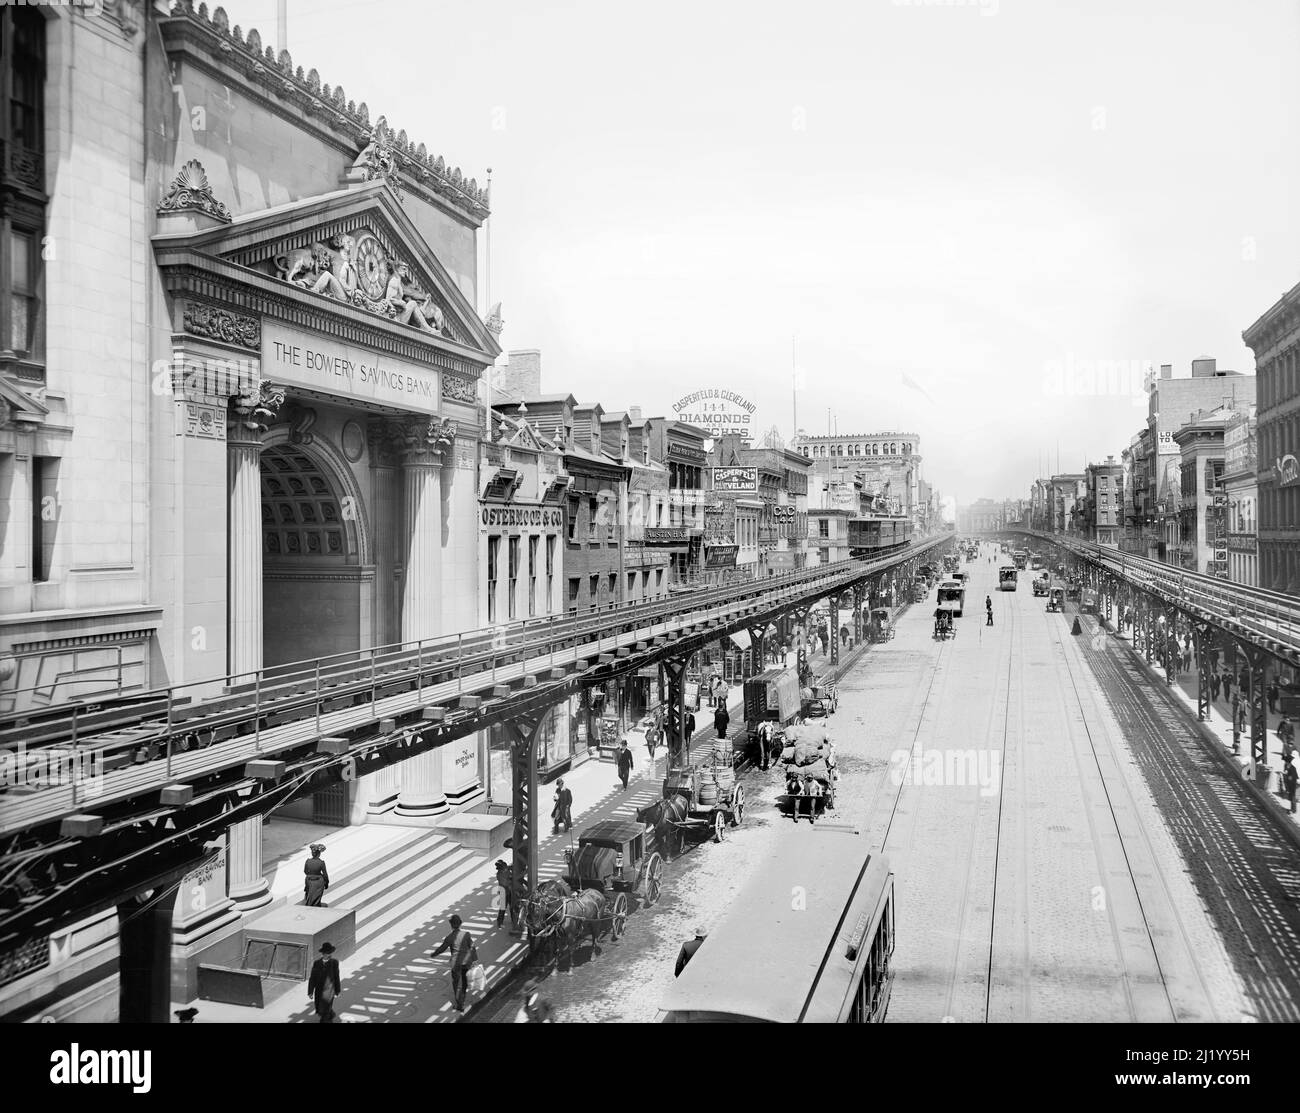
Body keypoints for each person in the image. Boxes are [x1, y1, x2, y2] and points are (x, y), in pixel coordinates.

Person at [430, 913, 477, 1013]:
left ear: (451, 925)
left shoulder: (450, 937)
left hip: (456, 964)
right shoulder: (466, 934)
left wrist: (434, 954)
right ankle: (462, 1000)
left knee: (456, 983)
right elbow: (472, 947)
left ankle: (459, 1005)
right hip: (466, 963)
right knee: (463, 982)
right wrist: (474, 960)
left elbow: (442, 949)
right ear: (460, 924)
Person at [307, 941, 341, 1023]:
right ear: (322, 953)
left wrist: (338, 990)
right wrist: (310, 991)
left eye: (329, 953)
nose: (327, 955)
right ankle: (330, 1014)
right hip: (319, 990)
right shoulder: (317, 963)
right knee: (319, 1007)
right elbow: (312, 978)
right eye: (325, 953)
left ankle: (326, 1019)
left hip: (329, 991)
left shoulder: (334, 963)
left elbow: (336, 977)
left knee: (325, 1009)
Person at [492, 859, 514, 930]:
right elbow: (506, 883)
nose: (505, 868)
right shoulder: (499, 875)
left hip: (510, 891)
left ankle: (514, 920)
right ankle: (499, 922)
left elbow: (509, 868)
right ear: (501, 869)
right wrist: (511, 879)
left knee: (512, 906)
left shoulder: (506, 870)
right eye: (504, 867)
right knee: (502, 908)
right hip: (504, 892)